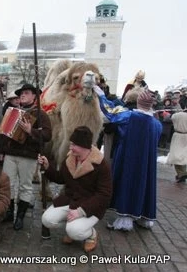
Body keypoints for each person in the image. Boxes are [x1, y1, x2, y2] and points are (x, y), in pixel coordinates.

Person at [95, 87, 162, 231]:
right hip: (146, 163)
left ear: (139, 101)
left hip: (128, 158)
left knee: (127, 182)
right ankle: (143, 216)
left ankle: (126, 219)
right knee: (144, 184)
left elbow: (110, 111)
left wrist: (101, 95)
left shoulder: (129, 117)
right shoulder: (157, 124)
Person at [39, 126, 112, 252]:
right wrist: (47, 167)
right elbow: (60, 178)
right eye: (71, 144)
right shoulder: (70, 159)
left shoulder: (101, 165)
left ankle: (90, 234)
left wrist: (81, 212)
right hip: (71, 200)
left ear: (84, 146)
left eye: (74, 145)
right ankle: (73, 228)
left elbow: (104, 195)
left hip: (91, 207)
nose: (70, 147)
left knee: (74, 231)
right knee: (47, 220)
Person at [0, 83, 52, 230]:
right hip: (10, 154)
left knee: (25, 187)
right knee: (8, 184)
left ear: (34, 96)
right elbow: (4, 133)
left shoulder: (41, 114)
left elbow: (47, 136)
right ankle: (9, 213)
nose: (22, 95)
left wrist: (30, 131)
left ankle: (20, 217)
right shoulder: (13, 111)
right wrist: (1, 151)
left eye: (27, 93)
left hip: (28, 155)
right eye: (21, 93)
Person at [166, 111, 187, 183]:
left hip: (177, 136)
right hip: (186, 136)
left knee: (175, 156)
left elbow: (169, 118)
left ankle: (181, 174)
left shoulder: (176, 115)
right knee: (183, 156)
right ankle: (182, 174)